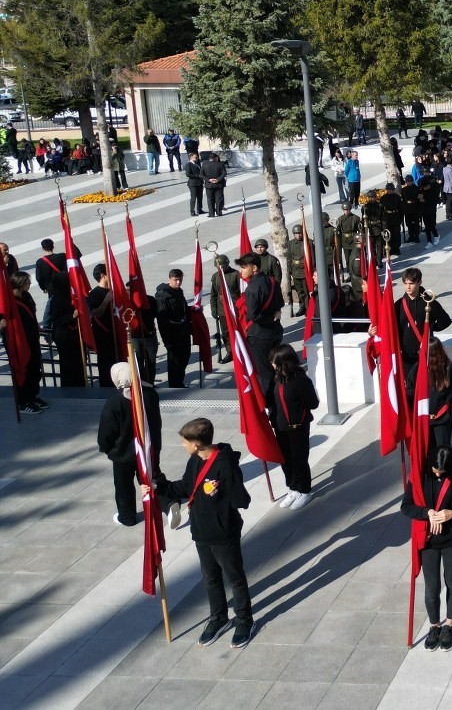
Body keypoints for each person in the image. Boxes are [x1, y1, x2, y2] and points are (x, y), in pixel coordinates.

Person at [144, 417, 256, 649]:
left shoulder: (225, 465)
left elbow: (241, 500)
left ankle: (245, 620)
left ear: (196, 444)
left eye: (185, 442)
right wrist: (157, 486)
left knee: (235, 578)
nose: (183, 446)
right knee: (210, 578)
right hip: (201, 532)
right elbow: (184, 488)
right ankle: (219, 618)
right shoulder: (195, 461)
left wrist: (219, 496)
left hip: (224, 533)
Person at [403, 446, 452, 650]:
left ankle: (450, 624)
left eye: (441, 472)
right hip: (428, 538)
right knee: (432, 585)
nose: (437, 474)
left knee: (451, 579)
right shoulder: (419, 475)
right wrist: (427, 513)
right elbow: (406, 506)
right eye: (434, 470)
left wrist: (451, 514)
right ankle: (434, 625)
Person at [97, 363, 170, 527]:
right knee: (152, 478)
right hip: (148, 448)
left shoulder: (115, 402)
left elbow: (106, 431)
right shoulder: (150, 394)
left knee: (123, 485)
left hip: (123, 454)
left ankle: (127, 516)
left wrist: (108, 448)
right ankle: (169, 504)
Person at [268, 344, 319, 509]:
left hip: (297, 427)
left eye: (274, 362)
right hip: (280, 426)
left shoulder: (300, 379)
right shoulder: (276, 378)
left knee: (299, 460)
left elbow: (312, 402)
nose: (272, 365)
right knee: (285, 460)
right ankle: (293, 487)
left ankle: (304, 490)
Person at [394, 268, 451, 393]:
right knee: (409, 389)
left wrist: (431, 328)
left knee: (427, 388)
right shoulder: (398, 305)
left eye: (411, 283)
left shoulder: (429, 303)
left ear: (419, 282)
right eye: (405, 283)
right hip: (406, 356)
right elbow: (392, 327)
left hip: (426, 354)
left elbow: (445, 321)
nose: (408, 287)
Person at [236, 252, 284, 396]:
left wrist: (268, 318)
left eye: (244, 267)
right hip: (276, 332)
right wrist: (274, 315)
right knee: (277, 367)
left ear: (254, 268)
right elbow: (280, 302)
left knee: (264, 373)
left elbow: (254, 316)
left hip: (259, 335)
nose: (241, 271)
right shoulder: (272, 281)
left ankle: (269, 404)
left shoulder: (251, 288)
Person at [2, 271, 45, 413]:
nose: (29, 284)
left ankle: (32, 397)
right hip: (19, 342)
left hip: (32, 339)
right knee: (22, 370)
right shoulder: (9, 302)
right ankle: (23, 402)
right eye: (27, 282)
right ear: (20, 284)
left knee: (34, 368)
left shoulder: (26, 296)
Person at [425, 338, 452, 449]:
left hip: (424, 416)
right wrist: (449, 400)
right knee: (443, 451)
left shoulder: (420, 368)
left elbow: (410, 389)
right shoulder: (449, 367)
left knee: (428, 451)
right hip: (443, 416)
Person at [155, 268, 193, 389]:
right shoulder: (163, 296)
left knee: (185, 357)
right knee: (175, 362)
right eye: (175, 280)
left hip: (183, 330)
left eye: (180, 280)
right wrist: (167, 340)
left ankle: (180, 382)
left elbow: (183, 309)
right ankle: (175, 386)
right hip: (172, 332)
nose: (178, 283)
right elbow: (162, 320)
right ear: (169, 279)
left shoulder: (179, 291)